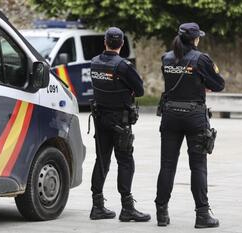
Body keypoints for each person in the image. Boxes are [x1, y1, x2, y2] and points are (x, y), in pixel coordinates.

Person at [155, 22, 225, 228]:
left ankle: (161, 213)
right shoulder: (201, 59)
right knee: (198, 166)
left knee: (167, 165)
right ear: (195, 39)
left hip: (170, 115)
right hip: (194, 116)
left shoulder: (166, 57)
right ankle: (202, 215)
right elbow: (218, 84)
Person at [89, 27, 150, 222]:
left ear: (105, 42)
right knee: (125, 161)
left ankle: (97, 206)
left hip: (100, 118)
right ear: (122, 44)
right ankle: (127, 208)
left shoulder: (94, 62)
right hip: (120, 121)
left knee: (102, 160)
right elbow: (139, 90)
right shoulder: (123, 66)